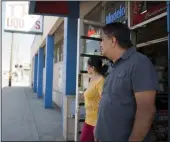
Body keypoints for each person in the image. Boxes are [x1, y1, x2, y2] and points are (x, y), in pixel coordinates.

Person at [94, 22, 158, 141]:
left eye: (102, 40)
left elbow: (146, 110)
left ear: (113, 41)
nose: (100, 44)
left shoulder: (139, 63)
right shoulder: (111, 66)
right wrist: (98, 130)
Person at [80, 56, 107, 142]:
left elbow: (104, 103)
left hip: (97, 123)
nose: (86, 68)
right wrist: (84, 97)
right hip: (88, 120)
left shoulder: (101, 81)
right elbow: (93, 96)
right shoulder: (91, 79)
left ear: (93, 68)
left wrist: (99, 127)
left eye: (87, 66)